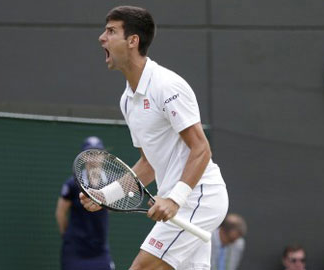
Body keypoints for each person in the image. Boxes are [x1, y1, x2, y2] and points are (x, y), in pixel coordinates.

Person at [80, 6, 229, 270]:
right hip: (183, 202)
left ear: (133, 41)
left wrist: (174, 200)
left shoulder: (167, 86)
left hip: (199, 199)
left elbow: (201, 149)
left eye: (111, 31)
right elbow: (148, 165)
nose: (102, 38)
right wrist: (105, 196)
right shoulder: (127, 100)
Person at [55, 136, 115, 270]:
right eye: (89, 154)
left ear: (103, 156)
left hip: (99, 249)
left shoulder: (110, 184)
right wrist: (67, 237)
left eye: (97, 154)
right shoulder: (72, 183)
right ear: (83, 157)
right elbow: (60, 212)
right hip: (75, 249)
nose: (93, 158)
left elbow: (112, 208)